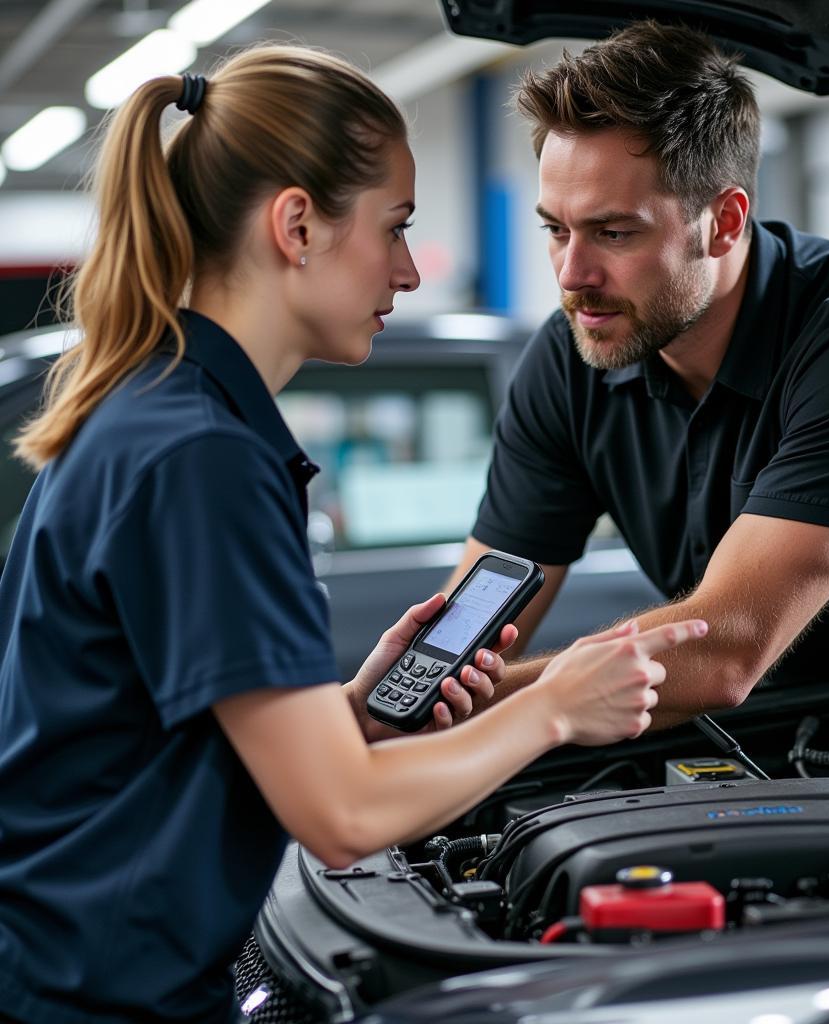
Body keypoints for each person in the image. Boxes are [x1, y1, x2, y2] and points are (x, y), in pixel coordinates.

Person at [0, 47, 707, 1024]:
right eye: (396, 227)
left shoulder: (151, 411)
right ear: (296, 225)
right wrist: (553, 710)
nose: (410, 270)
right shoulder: (200, 457)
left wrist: (349, 713)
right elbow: (342, 818)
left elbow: (141, 745)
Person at [447, 19, 829, 725]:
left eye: (614, 232)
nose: (573, 275)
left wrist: (443, 709)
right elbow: (475, 622)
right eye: (555, 229)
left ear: (723, 222)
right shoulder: (572, 356)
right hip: (778, 735)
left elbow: (721, 653)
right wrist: (379, 707)